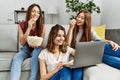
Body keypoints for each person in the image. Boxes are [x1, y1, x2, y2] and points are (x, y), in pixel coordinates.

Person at [10, 3, 45, 80]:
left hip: (36, 49)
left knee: (36, 54)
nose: (36, 14)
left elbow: (40, 41)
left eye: (38, 12)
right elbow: (22, 42)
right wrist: (29, 28)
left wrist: (36, 44)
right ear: (29, 12)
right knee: (16, 58)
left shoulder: (42, 26)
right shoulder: (21, 24)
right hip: (25, 49)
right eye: (33, 11)